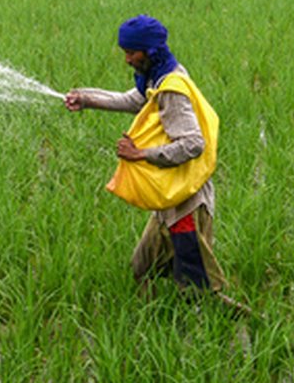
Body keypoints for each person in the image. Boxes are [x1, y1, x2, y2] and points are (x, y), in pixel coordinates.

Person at [65, 15, 247, 314]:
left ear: (149, 51)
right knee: (142, 266)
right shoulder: (158, 76)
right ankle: (150, 319)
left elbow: (193, 143)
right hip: (168, 195)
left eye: (131, 53)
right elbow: (134, 100)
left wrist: (141, 154)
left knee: (198, 288)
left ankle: (238, 324)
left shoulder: (171, 89)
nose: (127, 59)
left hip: (186, 203)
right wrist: (86, 98)